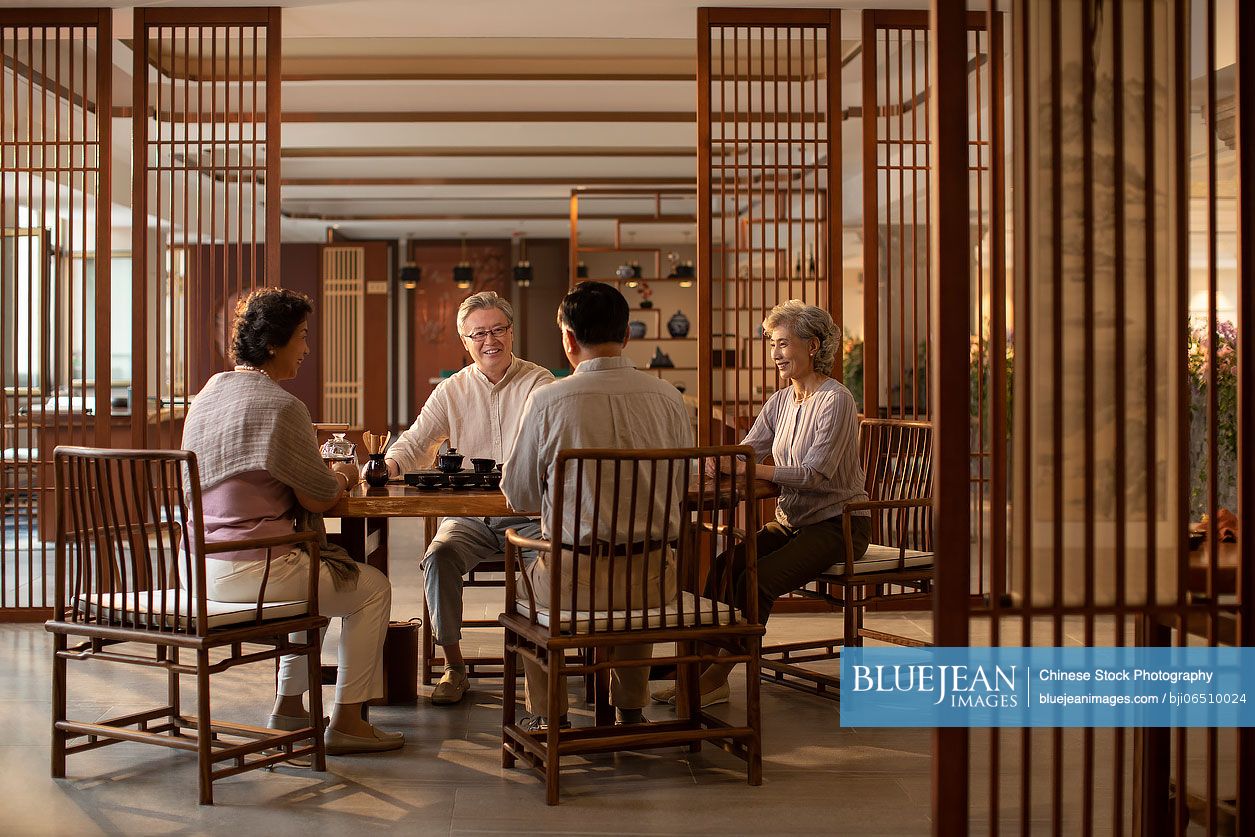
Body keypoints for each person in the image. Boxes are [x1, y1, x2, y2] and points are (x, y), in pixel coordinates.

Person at [182, 287, 402, 755]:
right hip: (255, 574)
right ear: (272, 345)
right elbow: (319, 497)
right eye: (301, 337)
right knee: (371, 588)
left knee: (316, 573)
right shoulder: (283, 407)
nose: (306, 349)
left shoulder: (206, 395)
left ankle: (289, 706)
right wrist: (342, 473)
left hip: (199, 571)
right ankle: (347, 721)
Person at [652, 300, 870, 708]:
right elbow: (746, 450)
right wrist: (723, 460)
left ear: (813, 345)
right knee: (724, 566)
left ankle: (717, 676)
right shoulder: (782, 400)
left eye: (783, 343)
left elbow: (813, 475)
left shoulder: (836, 400)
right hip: (791, 522)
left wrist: (753, 470)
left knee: (758, 578)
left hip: (837, 525)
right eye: (772, 344)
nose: (775, 354)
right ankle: (695, 666)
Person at [503, 281, 693, 730]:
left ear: (568, 339)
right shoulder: (669, 399)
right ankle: (630, 708)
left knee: (526, 589)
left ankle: (550, 716)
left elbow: (520, 494)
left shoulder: (548, 401)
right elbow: (682, 485)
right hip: (654, 583)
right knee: (637, 562)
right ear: (627, 334)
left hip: (573, 582)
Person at [385, 291, 554, 705]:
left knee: (547, 570)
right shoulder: (452, 390)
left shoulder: (540, 382)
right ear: (465, 341)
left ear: (512, 332)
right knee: (438, 557)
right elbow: (417, 441)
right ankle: (454, 665)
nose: (489, 341)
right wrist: (389, 465)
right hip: (470, 518)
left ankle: (541, 676)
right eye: (478, 334)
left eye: (497, 330)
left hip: (530, 516)